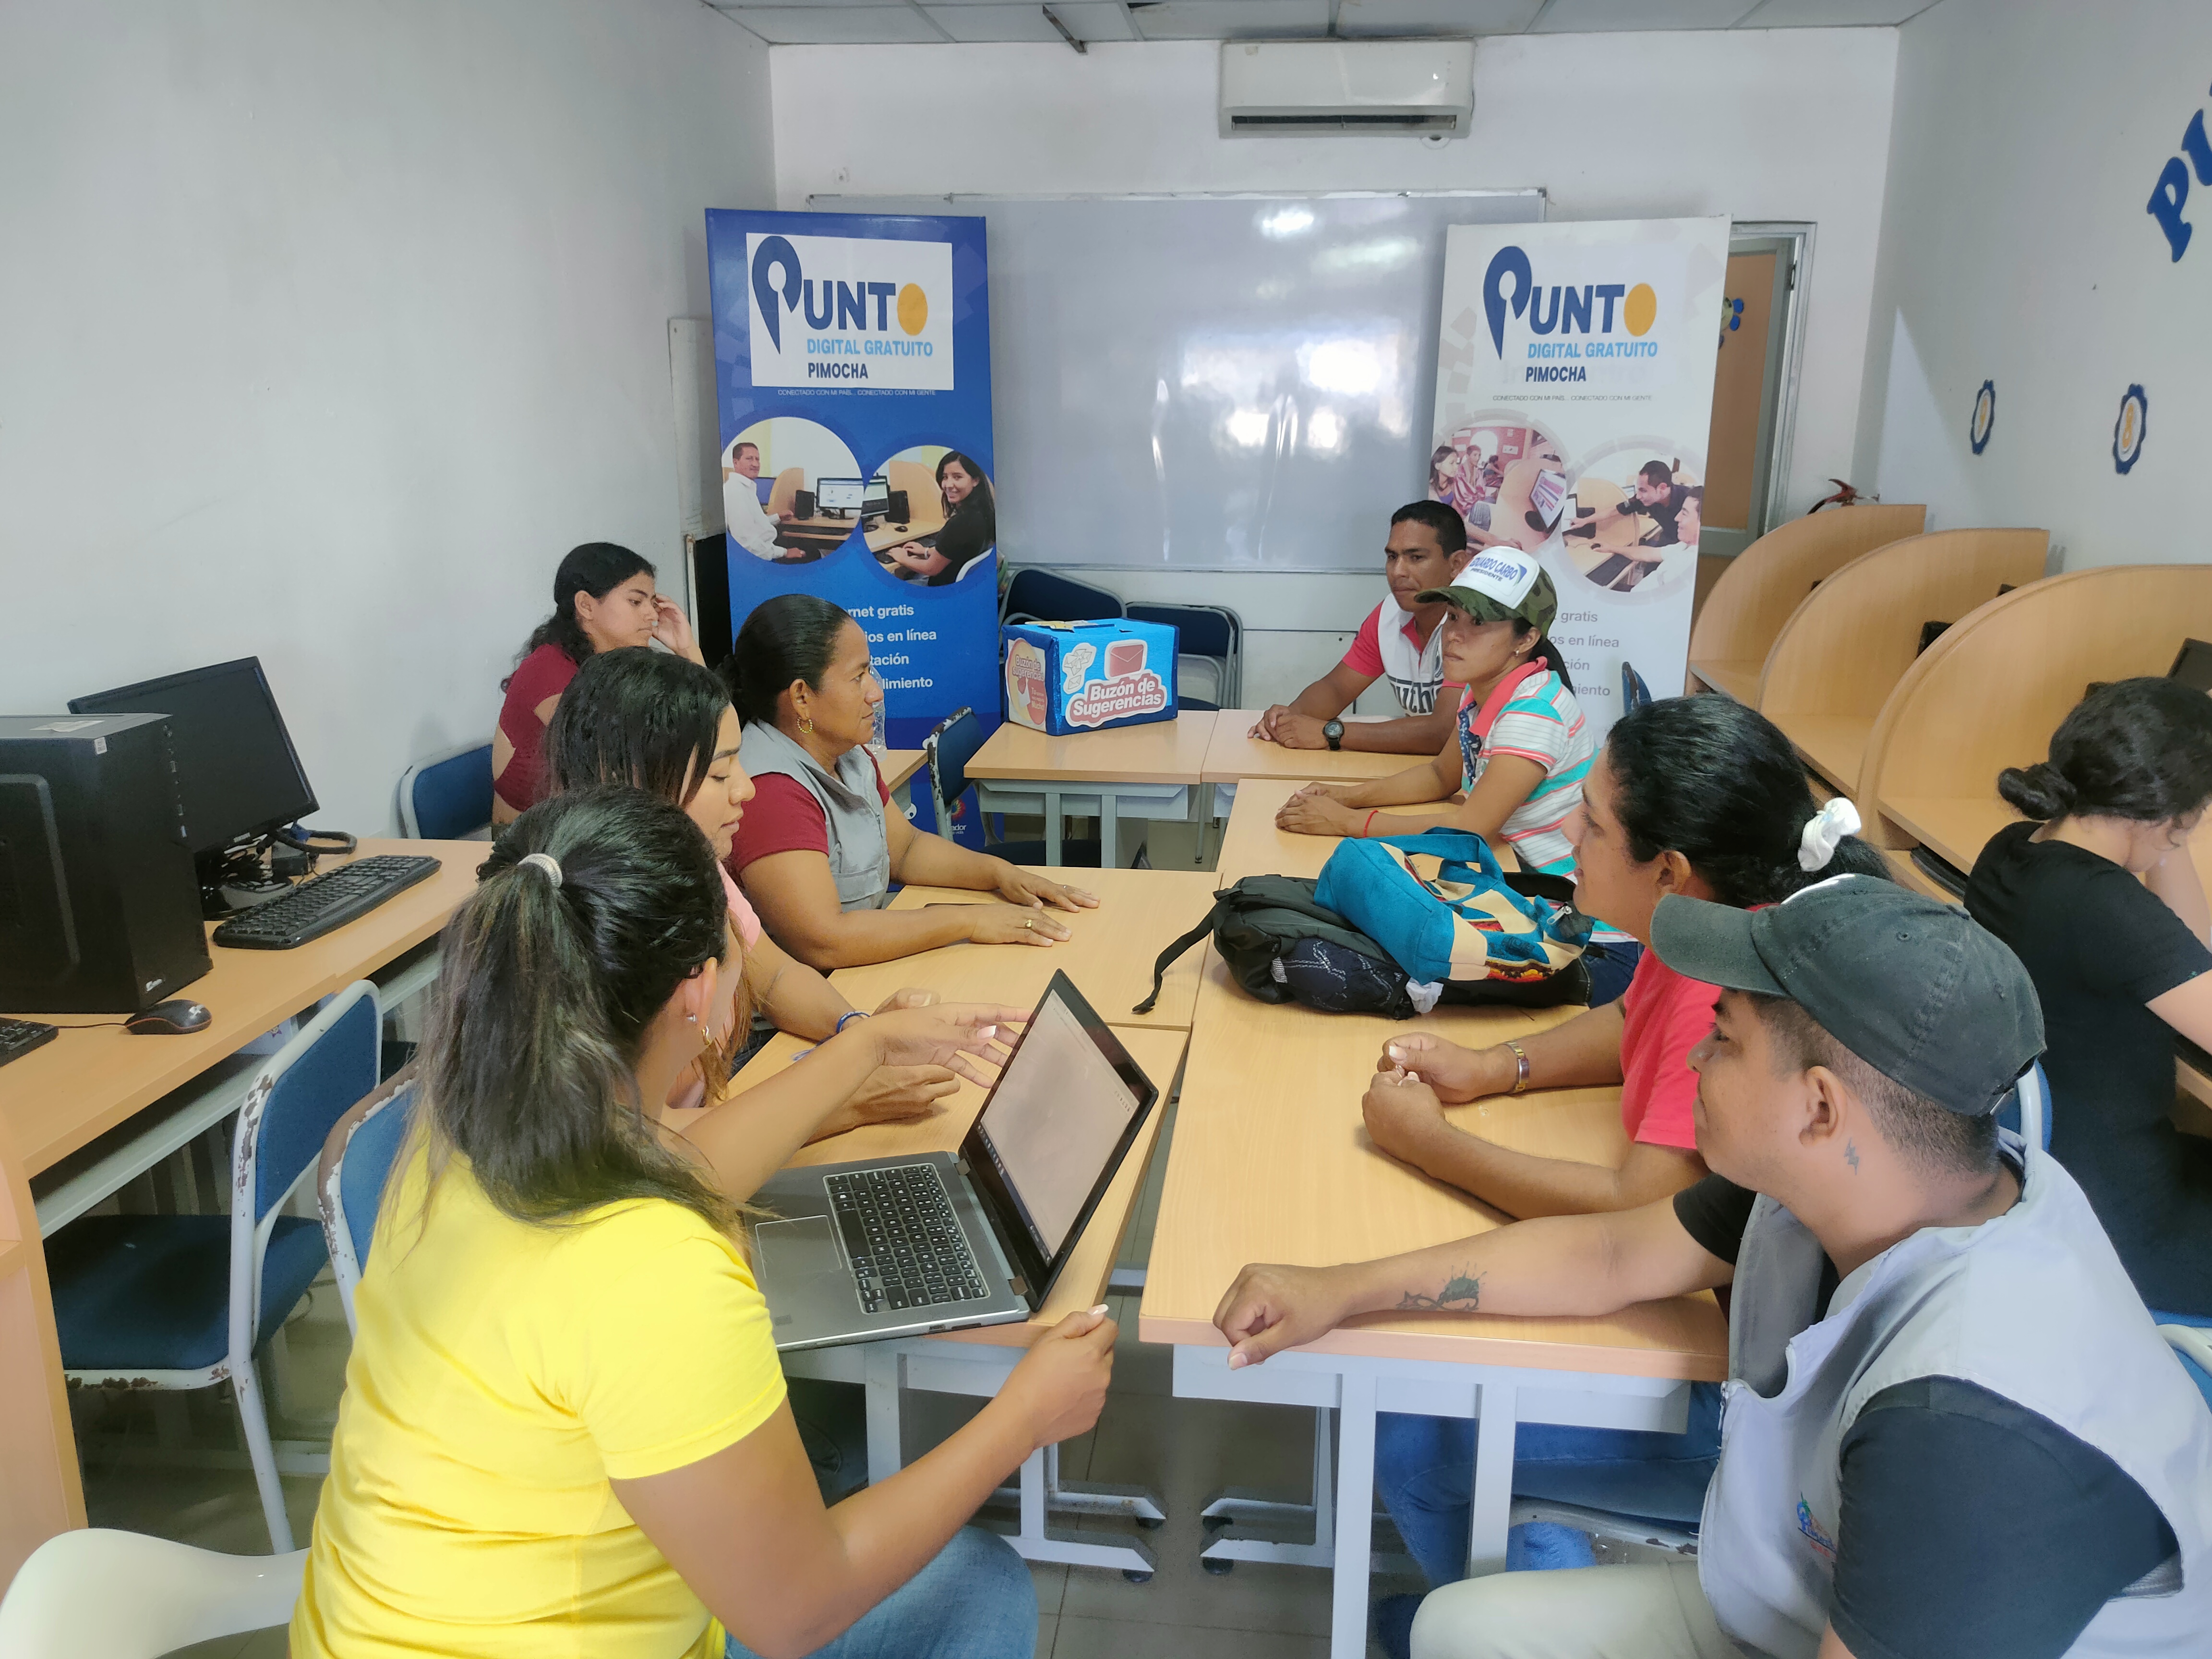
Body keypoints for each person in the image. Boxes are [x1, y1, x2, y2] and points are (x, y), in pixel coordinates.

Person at [1216, 878, 2212, 1659]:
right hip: (1791, 1595)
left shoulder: (1974, 1429)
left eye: (1722, 1040)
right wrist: (1338, 1287)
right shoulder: (1855, 1182)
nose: (1692, 1061)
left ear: (1819, 1106)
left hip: (1897, 1621)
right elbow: (1610, 1253)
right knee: (1456, 1632)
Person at [292, 786, 1116, 1659]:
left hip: (366, 1633)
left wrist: (868, 1043)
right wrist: (1023, 1416)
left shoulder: (458, 1133)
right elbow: (797, 1611)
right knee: (979, 1587)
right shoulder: (658, 1273)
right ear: (697, 990)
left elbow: (686, 1163)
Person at [1352, 699, 1892, 1599]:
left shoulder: (1733, 985)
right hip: (1722, 1332)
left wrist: (1433, 1146)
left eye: (1594, 823)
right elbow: (1629, 1019)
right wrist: (1496, 1067)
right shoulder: (1705, 924)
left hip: (1751, 1417)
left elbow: (1637, 1208)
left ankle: (1513, 1621)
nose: (1569, 830)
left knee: (1421, 1437)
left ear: (1669, 871)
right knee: (1434, 1380)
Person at [542, 647, 962, 1147]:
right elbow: (645, 1144)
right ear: (633, 782)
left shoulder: (697, 869)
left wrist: (857, 1032)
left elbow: (776, 975)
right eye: (721, 775)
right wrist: (846, 1097)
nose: (746, 789)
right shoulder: (588, 922)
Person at [1965, 677, 2212, 1316]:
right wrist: (2172, 822)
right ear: (2169, 814)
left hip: (2036, 1174)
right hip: (2123, 1227)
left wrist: (2166, 830)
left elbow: (2192, 951)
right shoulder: (2106, 909)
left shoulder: (2010, 852)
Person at [725, 594, 1098, 969]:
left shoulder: (845, 752)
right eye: (858, 677)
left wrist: (1001, 874)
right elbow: (825, 942)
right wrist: (968, 920)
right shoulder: (771, 793)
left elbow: (905, 850)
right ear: (801, 697)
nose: (875, 692)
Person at [1274, 547, 1592, 878]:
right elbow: (1441, 775)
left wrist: (1347, 822)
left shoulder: (1534, 713)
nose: (1453, 635)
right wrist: (1346, 797)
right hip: (1504, 863)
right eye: (1453, 617)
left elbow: (1471, 830)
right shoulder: (1481, 689)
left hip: (1547, 889)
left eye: (1478, 622)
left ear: (1526, 640)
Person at [1248, 502, 1477, 757]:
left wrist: (1330, 733)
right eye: (1392, 557)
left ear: (1456, 564)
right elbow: (1336, 688)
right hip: (1427, 767)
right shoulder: (1389, 615)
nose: (1398, 572)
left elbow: (1442, 732)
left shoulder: (1474, 624)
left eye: (1416, 558)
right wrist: (1288, 720)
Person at [494, 542, 702, 823]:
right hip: (536, 839)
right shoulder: (547, 669)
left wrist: (686, 648)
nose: (653, 615)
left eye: (653, 603)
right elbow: (623, 759)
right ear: (586, 605)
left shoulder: (621, 661)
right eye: (636, 602)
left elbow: (706, 724)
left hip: (589, 822)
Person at [882, 451, 996, 587]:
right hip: (960, 584)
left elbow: (931, 569)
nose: (948, 484)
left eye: (957, 477)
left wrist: (903, 558)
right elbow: (956, 551)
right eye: (945, 477)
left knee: (889, 582)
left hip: (941, 589)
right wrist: (925, 551)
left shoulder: (961, 523)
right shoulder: (982, 513)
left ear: (975, 480)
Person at [724, 439, 795, 562]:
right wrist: (785, 553)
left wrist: (777, 517)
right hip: (760, 556)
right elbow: (747, 543)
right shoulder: (735, 491)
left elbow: (753, 525)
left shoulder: (746, 487)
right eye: (749, 459)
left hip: (764, 547)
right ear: (736, 462)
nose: (755, 464)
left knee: (807, 546)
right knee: (811, 553)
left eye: (757, 459)